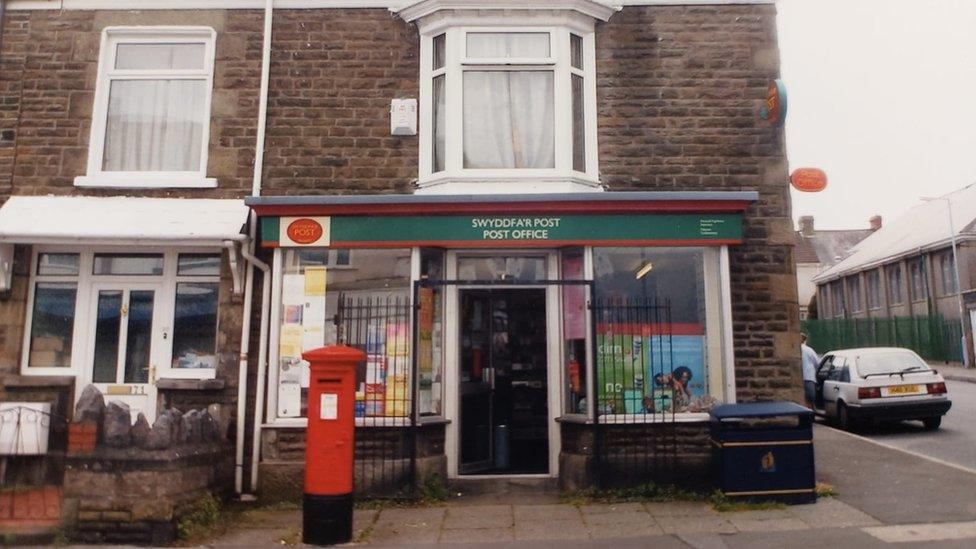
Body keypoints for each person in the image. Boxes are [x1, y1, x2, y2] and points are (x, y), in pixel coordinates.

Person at [800, 333, 819, 408]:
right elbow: (817, 363)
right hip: (809, 378)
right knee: (810, 400)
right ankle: (809, 417)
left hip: (797, 379)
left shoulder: (794, 349)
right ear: (805, 340)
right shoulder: (809, 350)